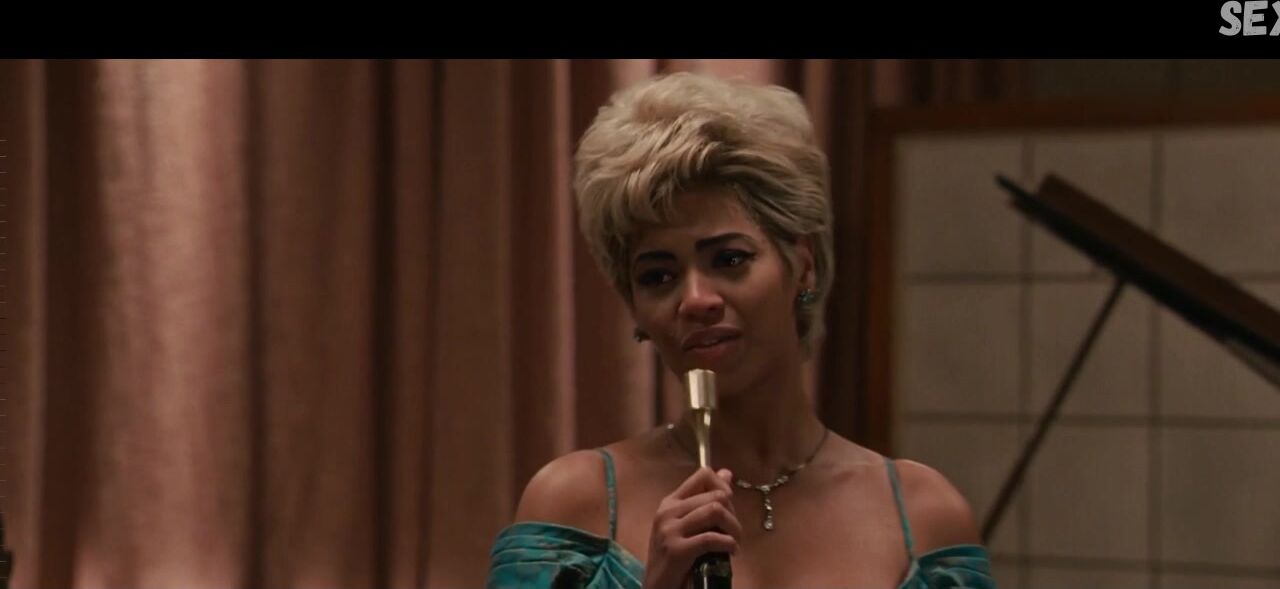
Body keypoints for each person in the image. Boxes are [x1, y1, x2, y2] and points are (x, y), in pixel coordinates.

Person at [487, 72, 995, 589]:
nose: (695, 300)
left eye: (729, 259)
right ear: (635, 308)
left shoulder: (924, 517)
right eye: (658, 276)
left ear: (803, 266)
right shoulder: (574, 505)